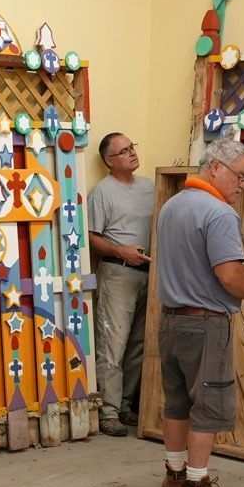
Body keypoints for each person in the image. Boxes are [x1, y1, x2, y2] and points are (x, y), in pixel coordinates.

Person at [156, 138, 244, 487]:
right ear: (216, 167)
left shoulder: (171, 206)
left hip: (170, 320)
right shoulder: (219, 214)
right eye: (241, 176)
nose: (243, 185)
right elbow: (230, 274)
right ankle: (196, 486)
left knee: (177, 401)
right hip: (205, 323)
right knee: (208, 403)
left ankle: (174, 474)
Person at [87, 132, 154, 437]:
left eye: (132, 147)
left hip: (149, 274)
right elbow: (92, 237)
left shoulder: (149, 187)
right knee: (113, 344)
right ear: (109, 161)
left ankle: (125, 405)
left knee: (139, 343)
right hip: (118, 273)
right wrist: (120, 251)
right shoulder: (102, 192)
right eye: (124, 151)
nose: (132, 153)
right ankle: (109, 412)